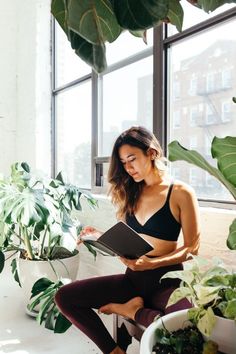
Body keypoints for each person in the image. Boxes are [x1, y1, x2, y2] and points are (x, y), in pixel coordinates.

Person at [55, 126, 200, 354]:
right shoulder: (131, 192)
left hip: (167, 282)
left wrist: (152, 263)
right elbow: (129, 239)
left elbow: (192, 248)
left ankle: (131, 311)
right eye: (123, 162)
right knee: (64, 297)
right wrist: (99, 236)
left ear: (151, 153)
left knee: (187, 325)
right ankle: (114, 352)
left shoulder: (181, 192)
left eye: (132, 159)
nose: (128, 167)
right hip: (132, 281)